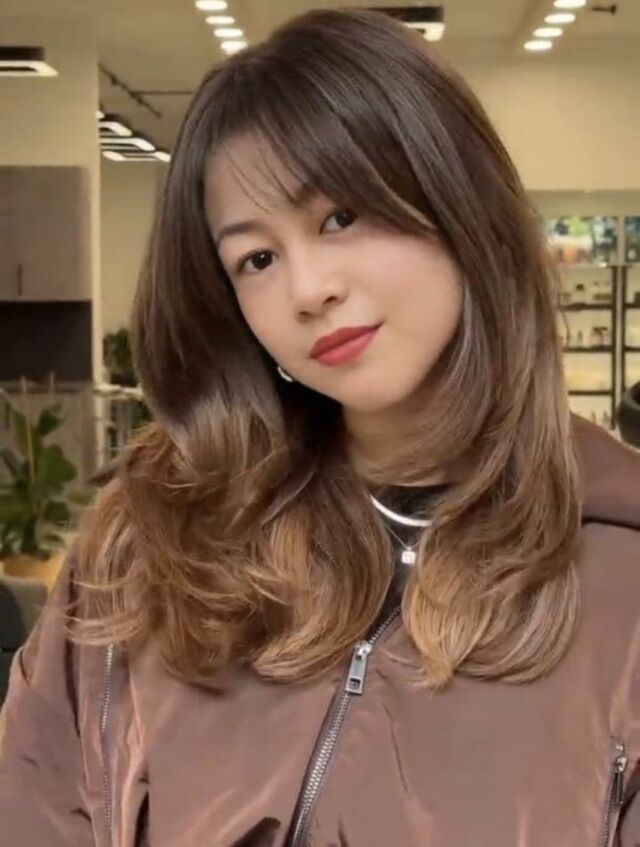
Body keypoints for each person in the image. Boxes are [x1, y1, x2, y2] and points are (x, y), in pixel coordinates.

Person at [1, 8, 639, 846]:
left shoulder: (621, 568)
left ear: (457, 198)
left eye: (340, 217)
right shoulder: (148, 539)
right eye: (256, 259)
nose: (307, 289)